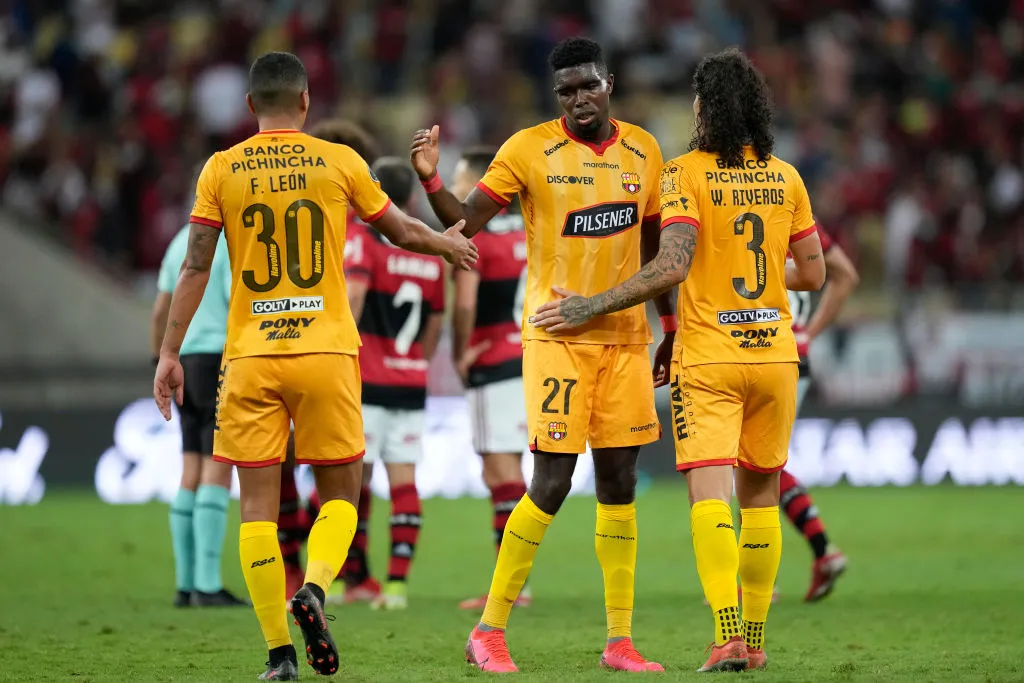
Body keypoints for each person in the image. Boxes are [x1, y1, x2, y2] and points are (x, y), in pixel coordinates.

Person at [153, 52, 476, 681]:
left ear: (250, 107)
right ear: (305, 102)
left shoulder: (221, 169)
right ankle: (317, 588)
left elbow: (194, 266)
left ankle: (278, 656)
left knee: (257, 510)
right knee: (342, 497)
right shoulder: (339, 160)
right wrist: (448, 243)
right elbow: (401, 230)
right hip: (326, 351)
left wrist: (170, 353)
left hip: (250, 357)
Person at [531, 48, 826, 672]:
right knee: (763, 500)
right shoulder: (788, 177)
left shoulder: (685, 173)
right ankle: (756, 638)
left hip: (711, 358)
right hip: (775, 354)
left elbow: (671, 265)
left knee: (711, 500)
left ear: (703, 107)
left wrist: (594, 304)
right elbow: (815, 271)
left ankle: (726, 635)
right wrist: (764, 271)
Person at [411, 37, 671, 673]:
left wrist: (672, 328)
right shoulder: (527, 149)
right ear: (555, 97)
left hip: (626, 340)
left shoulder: (645, 150)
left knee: (620, 484)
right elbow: (463, 221)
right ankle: (490, 629)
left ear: (608, 82)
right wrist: (430, 178)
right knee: (552, 482)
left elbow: (659, 248)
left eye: (588, 85)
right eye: (566, 91)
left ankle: (619, 641)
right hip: (557, 335)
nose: (579, 98)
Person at [275, 118, 382, 602]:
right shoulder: (355, 229)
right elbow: (356, 300)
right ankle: (345, 573)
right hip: (338, 356)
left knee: (278, 467)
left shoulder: (283, 215)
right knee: (346, 474)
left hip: (268, 349)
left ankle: (292, 571)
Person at [335, 157, 446, 611]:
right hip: (410, 378)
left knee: (349, 485)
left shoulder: (365, 240)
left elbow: (354, 296)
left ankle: (347, 580)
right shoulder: (429, 250)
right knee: (404, 482)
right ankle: (397, 588)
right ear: (414, 197)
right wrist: (415, 359)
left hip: (366, 378)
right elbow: (434, 326)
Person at [152, 167, 247, 609]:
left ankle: (185, 583)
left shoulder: (178, 243)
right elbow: (235, 303)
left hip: (182, 358)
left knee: (190, 467)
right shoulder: (229, 241)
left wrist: (161, 359)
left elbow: (159, 310)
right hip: (216, 359)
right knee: (216, 466)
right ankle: (208, 583)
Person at [447, 147, 533, 612]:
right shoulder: (535, 232)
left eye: (462, 179)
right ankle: (517, 582)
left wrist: (461, 351)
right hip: (534, 358)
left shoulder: (478, 239)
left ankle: (510, 586)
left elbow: (464, 304)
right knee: (513, 470)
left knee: (499, 472)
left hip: (493, 358)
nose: (458, 189)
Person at [785, 226, 858, 601]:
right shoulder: (792, 210)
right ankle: (823, 551)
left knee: (747, 466)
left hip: (752, 347)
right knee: (761, 463)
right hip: (795, 354)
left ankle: (754, 583)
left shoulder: (724, 199)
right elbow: (846, 274)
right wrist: (808, 333)